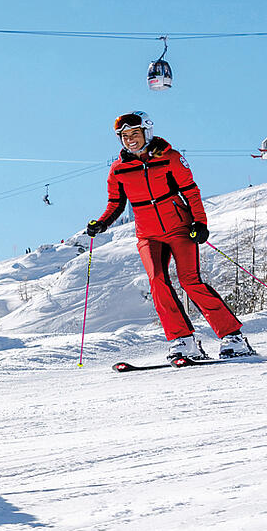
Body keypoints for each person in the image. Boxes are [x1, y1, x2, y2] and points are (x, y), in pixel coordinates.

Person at [84, 111, 254, 360]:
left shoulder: (170, 158)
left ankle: (233, 337)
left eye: (134, 134)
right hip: (147, 235)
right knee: (157, 281)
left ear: (146, 132)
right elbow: (115, 204)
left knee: (190, 280)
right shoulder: (118, 170)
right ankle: (183, 340)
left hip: (179, 228)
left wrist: (199, 223)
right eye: (124, 136)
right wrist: (101, 224)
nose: (130, 139)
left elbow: (191, 191)